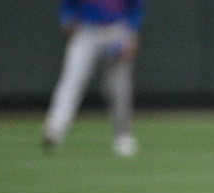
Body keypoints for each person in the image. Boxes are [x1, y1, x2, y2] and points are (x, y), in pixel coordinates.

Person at [42, 0, 144, 157]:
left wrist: (131, 34)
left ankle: (123, 136)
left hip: (117, 31)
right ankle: (55, 128)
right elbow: (67, 6)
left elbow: (136, 7)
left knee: (119, 89)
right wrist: (67, 20)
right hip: (86, 31)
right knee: (71, 80)